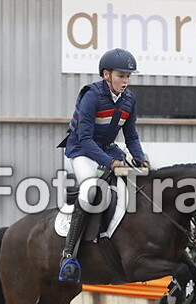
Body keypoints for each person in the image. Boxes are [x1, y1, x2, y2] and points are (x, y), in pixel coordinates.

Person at [57, 48, 150, 283]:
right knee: (91, 192)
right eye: (121, 75)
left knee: (138, 188)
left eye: (128, 76)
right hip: (81, 150)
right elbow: (85, 139)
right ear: (106, 74)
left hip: (108, 150)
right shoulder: (91, 96)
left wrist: (141, 158)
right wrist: (111, 162)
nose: (126, 81)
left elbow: (131, 136)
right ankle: (68, 256)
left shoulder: (129, 99)